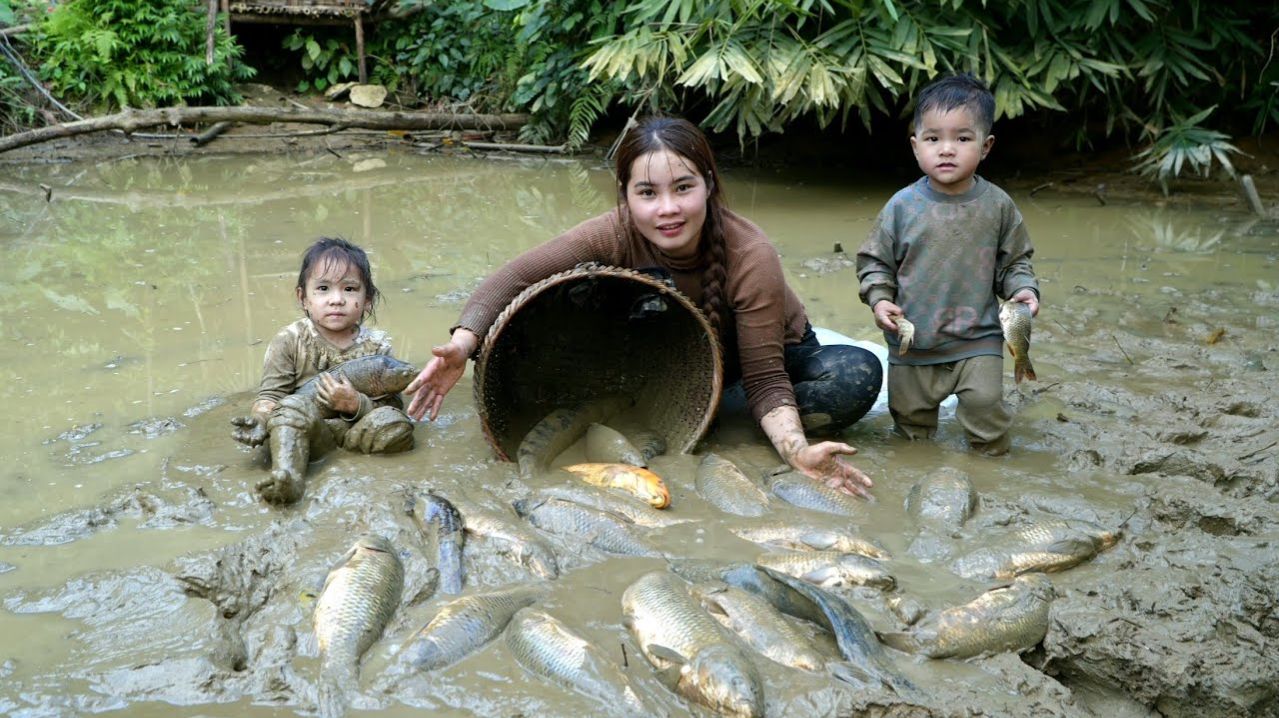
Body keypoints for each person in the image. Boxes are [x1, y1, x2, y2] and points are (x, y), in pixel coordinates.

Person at [405, 116, 883, 497]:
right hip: (663, 352)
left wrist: (795, 450)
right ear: (627, 198)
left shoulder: (750, 254)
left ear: (710, 186)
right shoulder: (612, 231)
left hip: (753, 361)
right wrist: (462, 344)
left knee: (854, 374)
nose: (667, 209)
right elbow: (516, 276)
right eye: (648, 194)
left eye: (683, 188)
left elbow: (765, 377)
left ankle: (714, 413)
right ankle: (697, 408)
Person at [856, 73, 1040, 455]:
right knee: (911, 428)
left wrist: (1023, 290)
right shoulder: (901, 207)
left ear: (986, 146)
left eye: (962, 138)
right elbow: (875, 262)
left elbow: (1016, 262)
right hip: (913, 342)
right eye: (933, 138)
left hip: (979, 339)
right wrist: (879, 299)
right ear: (915, 146)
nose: (946, 149)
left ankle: (990, 474)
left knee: (988, 414)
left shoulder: (998, 206)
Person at [231, 237, 414, 504]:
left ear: (368, 301)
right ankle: (288, 478)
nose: (336, 300)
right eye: (323, 288)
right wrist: (260, 421)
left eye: (350, 289)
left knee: (396, 424)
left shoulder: (377, 346)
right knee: (292, 406)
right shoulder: (290, 340)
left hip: (356, 435)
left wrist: (356, 404)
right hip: (312, 433)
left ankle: (364, 466)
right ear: (303, 298)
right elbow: (271, 396)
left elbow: (393, 405)